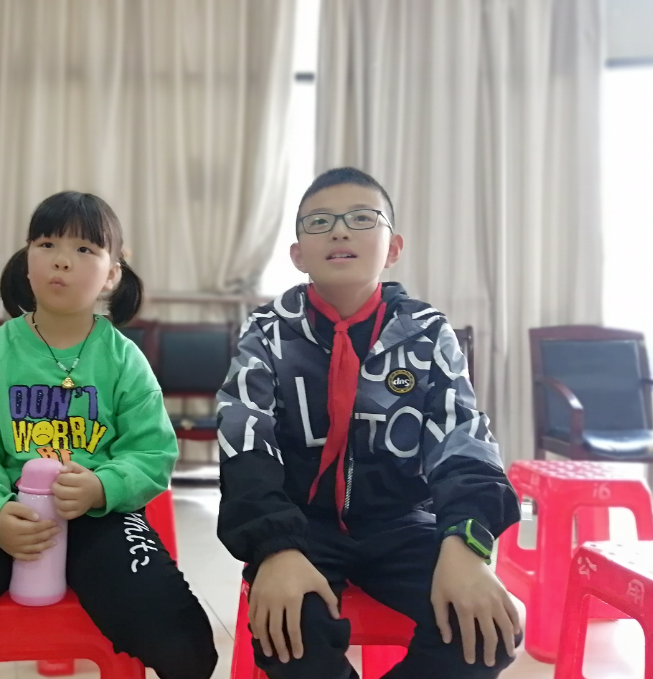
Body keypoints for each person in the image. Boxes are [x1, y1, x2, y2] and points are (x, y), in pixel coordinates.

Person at [0, 191, 217, 679]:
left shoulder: (123, 359)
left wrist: (102, 486)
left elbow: (152, 451)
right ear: (26, 261)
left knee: (182, 639)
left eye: (85, 249)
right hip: (6, 515)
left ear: (112, 274)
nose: (62, 261)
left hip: (100, 516)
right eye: (47, 244)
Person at [217, 168, 522, 678]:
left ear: (393, 247)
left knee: (487, 631)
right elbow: (245, 442)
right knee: (288, 635)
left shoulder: (426, 332)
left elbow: (462, 437)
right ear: (298, 254)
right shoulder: (267, 332)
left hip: (402, 524)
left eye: (361, 218)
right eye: (319, 222)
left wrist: (465, 544)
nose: (339, 231)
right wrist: (275, 547)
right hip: (301, 526)